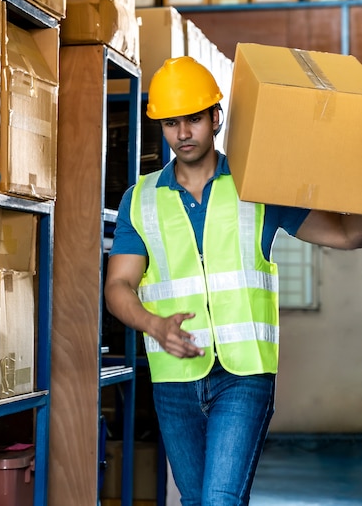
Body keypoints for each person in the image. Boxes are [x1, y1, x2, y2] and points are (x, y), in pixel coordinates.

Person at [104, 56, 362, 506]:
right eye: (170, 122)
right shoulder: (140, 199)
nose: (183, 133)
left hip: (243, 376)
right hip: (174, 381)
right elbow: (117, 286)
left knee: (219, 501)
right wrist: (154, 325)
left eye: (194, 119)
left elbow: (346, 232)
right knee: (195, 501)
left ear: (216, 118)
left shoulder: (258, 186)